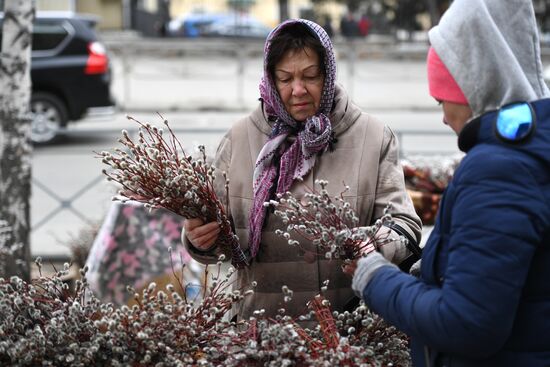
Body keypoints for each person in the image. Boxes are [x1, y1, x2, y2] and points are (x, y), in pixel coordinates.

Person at [348, 0, 550, 366]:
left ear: (473, 87)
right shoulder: (532, 151)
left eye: (442, 99)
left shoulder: (498, 171)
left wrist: (375, 278)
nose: (442, 117)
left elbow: (468, 323)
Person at [182, 19, 422, 319]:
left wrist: (375, 244)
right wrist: (198, 240)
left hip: (349, 334)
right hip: (261, 333)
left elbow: (404, 224)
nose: (298, 90)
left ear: (329, 74)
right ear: (270, 79)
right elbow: (217, 236)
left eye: (311, 76)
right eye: (285, 78)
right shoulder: (240, 138)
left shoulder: (372, 137)